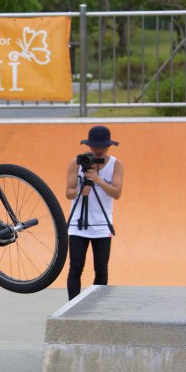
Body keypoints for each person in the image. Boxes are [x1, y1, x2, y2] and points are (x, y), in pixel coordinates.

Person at [65, 125, 124, 299]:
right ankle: (73, 305)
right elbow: (68, 193)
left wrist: (98, 180)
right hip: (78, 224)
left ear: (109, 146)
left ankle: (97, 305)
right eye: (95, 146)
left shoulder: (116, 165)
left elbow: (117, 193)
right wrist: (79, 191)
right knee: (75, 267)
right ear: (89, 145)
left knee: (101, 268)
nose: (98, 150)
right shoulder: (77, 163)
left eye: (102, 146)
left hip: (102, 224)